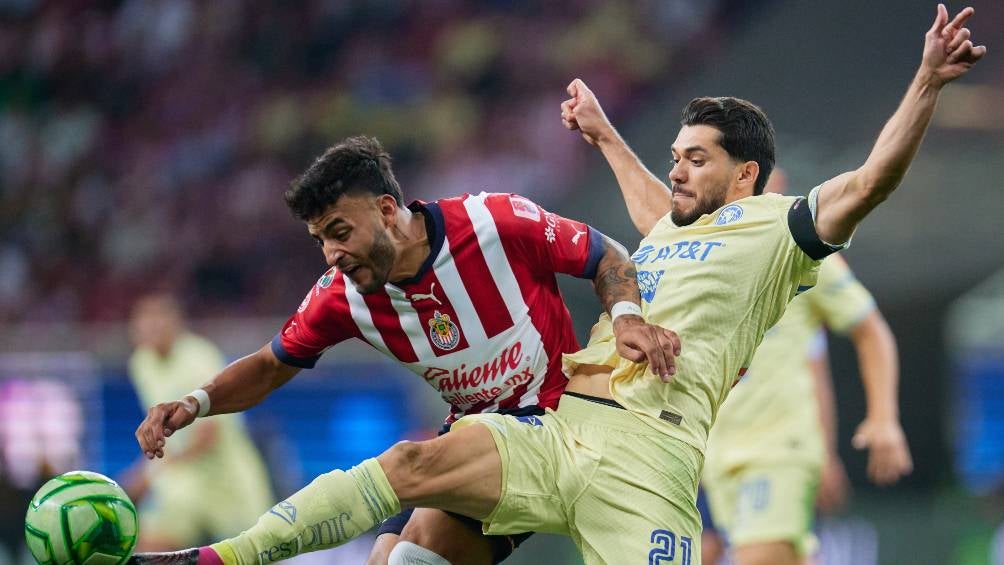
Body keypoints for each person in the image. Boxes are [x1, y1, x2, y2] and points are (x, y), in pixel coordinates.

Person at [130, 6, 985, 564]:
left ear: (747, 174)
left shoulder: (779, 232)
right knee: (411, 469)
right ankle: (219, 559)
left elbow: (870, 181)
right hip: (560, 428)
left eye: (696, 157)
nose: (677, 167)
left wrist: (926, 81)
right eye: (676, 152)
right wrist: (607, 135)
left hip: (649, 463)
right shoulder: (675, 235)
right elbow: (644, 229)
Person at [131, 135, 677, 565]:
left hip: (559, 429)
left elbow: (606, 255)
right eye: (320, 239)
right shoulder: (343, 297)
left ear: (388, 209)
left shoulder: (493, 222)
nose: (332, 254)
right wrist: (196, 402)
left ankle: (228, 557)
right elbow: (272, 364)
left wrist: (626, 316)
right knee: (395, 558)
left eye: (340, 231)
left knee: (406, 468)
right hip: (477, 438)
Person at [694, 169, 913, 565]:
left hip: (778, 448)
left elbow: (862, 337)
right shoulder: (700, 259)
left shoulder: (803, 252)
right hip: (713, 455)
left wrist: (882, 418)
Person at [122, 293, 275, 551]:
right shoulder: (141, 363)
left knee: (258, 553)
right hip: (185, 480)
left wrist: (151, 473)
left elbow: (208, 435)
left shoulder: (199, 356)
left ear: (176, 322)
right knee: (147, 548)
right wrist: (144, 471)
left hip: (227, 477)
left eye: (159, 317)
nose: (152, 326)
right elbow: (165, 432)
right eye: (145, 319)